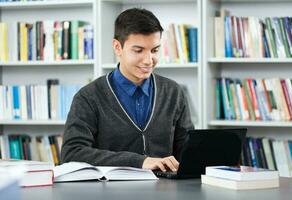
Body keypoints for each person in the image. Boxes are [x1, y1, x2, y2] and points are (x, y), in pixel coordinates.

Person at [61, 8, 194, 172]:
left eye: (155, 50)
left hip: (164, 192)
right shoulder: (88, 97)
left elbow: (188, 151)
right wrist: (140, 162)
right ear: (117, 47)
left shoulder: (173, 92)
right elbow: (72, 153)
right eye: (138, 50)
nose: (148, 60)